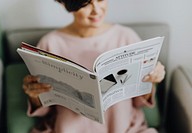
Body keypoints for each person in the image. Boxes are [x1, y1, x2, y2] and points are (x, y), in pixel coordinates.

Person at [23, 0, 166, 132]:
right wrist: (34, 95)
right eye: (86, 4)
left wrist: (151, 79)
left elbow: (139, 101)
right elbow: (46, 109)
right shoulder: (50, 43)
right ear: (65, 4)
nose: (97, 10)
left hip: (125, 129)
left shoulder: (126, 37)